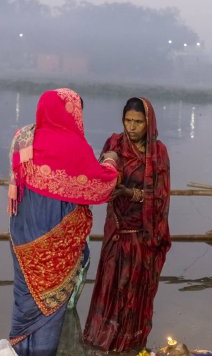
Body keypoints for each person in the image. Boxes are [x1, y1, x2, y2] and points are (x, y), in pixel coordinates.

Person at [7, 88, 118, 356]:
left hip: (22, 237)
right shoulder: (74, 148)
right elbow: (101, 186)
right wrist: (111, 162)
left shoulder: (23, 138)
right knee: (49, 308)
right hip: (56, 244)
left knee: (26, 301)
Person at [83, 96, 171, 353]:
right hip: (117, 228)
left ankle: (131, 341)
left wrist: (128, 193)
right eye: (127, 121)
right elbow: (101, 174)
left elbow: (159, 195)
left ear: (149, 123)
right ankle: (103, 337)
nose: (131, 127)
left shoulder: (158, 152)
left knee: (134, 288)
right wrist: (106, 178)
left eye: (138, 122)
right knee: (111, 282)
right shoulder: (114, 143)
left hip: (142, 234)